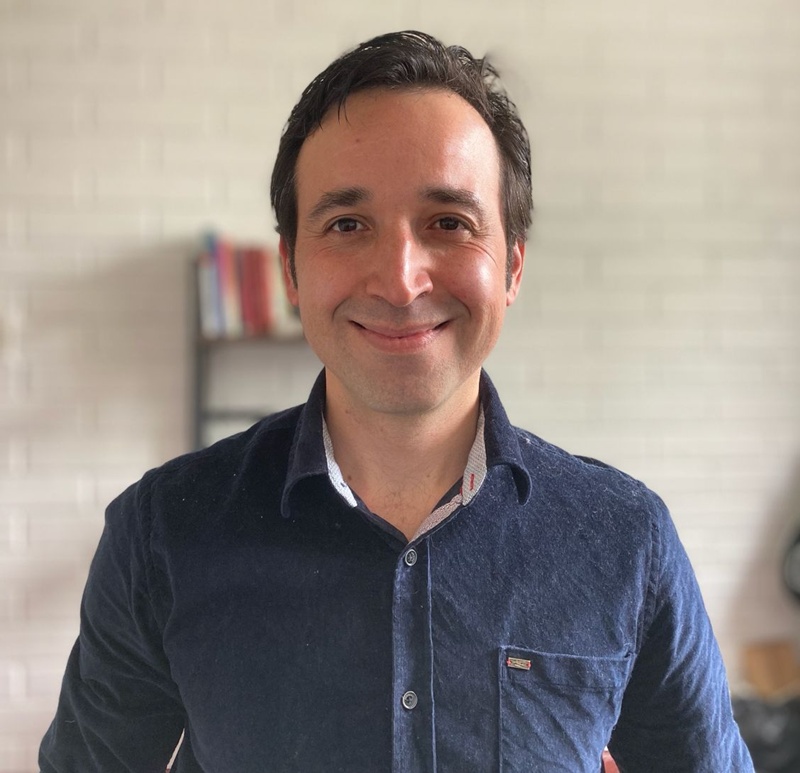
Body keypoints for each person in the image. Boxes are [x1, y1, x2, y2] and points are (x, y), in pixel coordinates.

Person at [39, 30, 754, 772]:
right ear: (291, 268)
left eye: (448, 223)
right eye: (347, 225)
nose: (400, 280)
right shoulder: (162, 533)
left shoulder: (626, 540)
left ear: (512, 265)